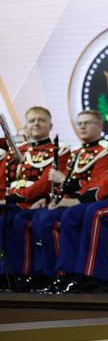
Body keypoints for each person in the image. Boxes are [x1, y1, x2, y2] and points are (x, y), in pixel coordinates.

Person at [54, 96, 108, 295]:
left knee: (96, 213)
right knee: (72, 214)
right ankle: (69, 276)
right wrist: (81, 197)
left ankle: (96, 279)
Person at [28, 109, 108, 293]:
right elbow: (62, 186)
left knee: (48, 220)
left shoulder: (105, 152)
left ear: (100, 126)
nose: (82, 126)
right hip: (70, 201)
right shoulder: (76, 153)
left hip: (87, 202)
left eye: (87, 123)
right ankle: (47, 274)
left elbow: (97, 184)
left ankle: (65, 274)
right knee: (39, 217)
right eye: (79, 123)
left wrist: (65, 181)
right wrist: (52, 199)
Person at [1, 106, 68, 291]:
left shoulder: (58, 151)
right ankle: (5, 274)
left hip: (35, 203)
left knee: (13, 221)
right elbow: (2, 180)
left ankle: (20, 274)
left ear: (50, 125)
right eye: (32, 120)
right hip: (11, 203)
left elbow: (44, 184)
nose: (36, 124)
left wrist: (13, 198)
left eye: (41, 120)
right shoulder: (17, 152)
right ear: (26, 125)